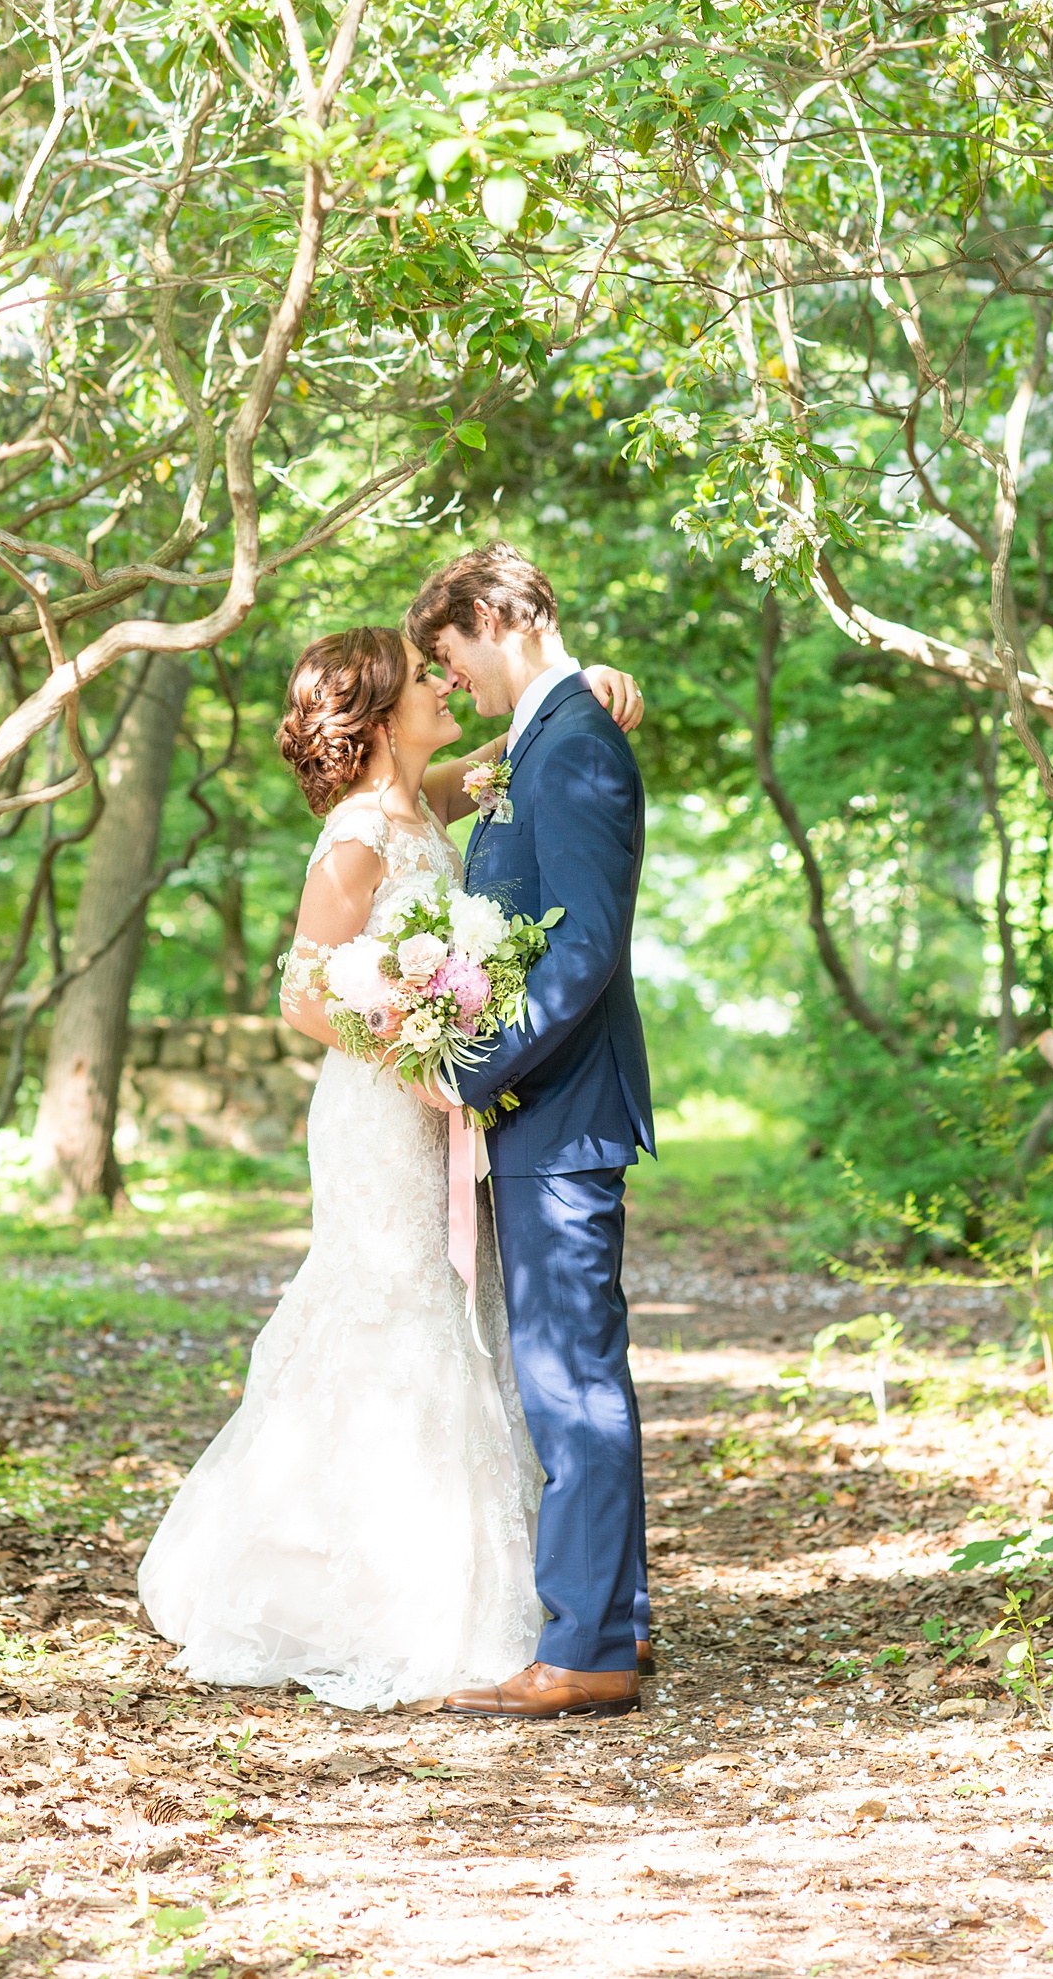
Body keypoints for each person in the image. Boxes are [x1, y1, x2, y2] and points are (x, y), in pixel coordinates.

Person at [136, 615, 644, 1711]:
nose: (442, 688)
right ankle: (366, 1594)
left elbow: (527, 735)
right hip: (381, 1109)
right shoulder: (359, 833)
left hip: (443, 1101)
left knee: (465, 1323)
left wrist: (583, 675)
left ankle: (486, 1586)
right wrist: (411, 1052)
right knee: (393, 1308)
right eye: (423, 680)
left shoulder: (425, 799)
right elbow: (302, 989)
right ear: (374, 714)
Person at [405, 544, 655, 1723]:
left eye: (450, 657)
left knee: (570, 1379)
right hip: (540, 1112)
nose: (449, 684)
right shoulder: (544, 737)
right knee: (563, 1375)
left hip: (557, 1111)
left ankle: (594, 1647)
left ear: (499, 617)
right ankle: (609, 1621)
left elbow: (586, 946)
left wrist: (472, 1069)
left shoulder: (571, 745)